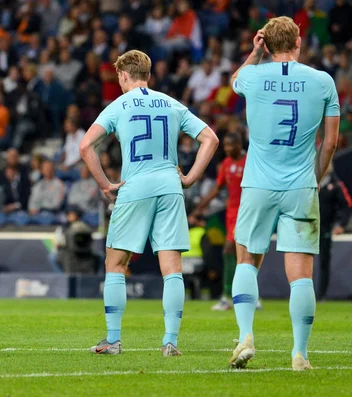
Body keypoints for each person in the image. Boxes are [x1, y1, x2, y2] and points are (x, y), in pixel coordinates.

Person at [80, 50, 218, 356]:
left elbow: (86, 145)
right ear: (148, 75)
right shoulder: (171, 103)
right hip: (170, 188)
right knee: (172, 269)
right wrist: (191, 177)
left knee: (115, 264)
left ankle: (113, 340)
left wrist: (105, 184)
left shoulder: (118, 106)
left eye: (118, 77)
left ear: (124, 75)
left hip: (135, 187)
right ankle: (171, 341)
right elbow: (211, 138)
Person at [228, 17, 340, 371]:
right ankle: (300, 354)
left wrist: (255, 52)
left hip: (258, 184)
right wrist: (315, 177)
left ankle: (246, 335)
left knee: (246, 260)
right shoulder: (323, 81)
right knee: (301, 275)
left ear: (267, 43)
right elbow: (331, 141)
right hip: (300, 187)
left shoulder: (253, 76)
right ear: (299, 41)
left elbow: (234, 82)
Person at [193, 133, 247, 311]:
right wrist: (202, 205)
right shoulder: (226, 164)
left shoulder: (249, 161)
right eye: (225, 146)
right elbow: (218, 187)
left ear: (239, 143)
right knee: (236, 252)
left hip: (247, 211)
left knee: (233, 250)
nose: (228, 149)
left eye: (231, 145)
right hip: (231, 213)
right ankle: (244, 296)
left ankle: (228, 296)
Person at [317, 163, 350, 301]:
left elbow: (346, 206)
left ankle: (321, 295)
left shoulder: (336, 185)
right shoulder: (308, 181)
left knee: (324, 262)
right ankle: (301, 293)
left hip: (324, 228)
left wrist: (341, 224)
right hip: (306, 228)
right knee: (301, 259)